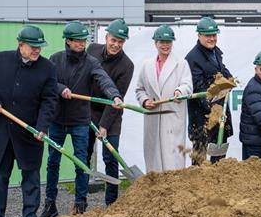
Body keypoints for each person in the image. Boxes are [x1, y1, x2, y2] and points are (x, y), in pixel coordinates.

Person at [0, 25, 58, 217]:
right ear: (20, 45)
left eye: (40, 47)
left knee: (31, 176)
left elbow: (49, 100)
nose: (37, 51)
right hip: (1, 130)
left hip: (29, 132)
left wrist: (41, 127)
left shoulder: (47, 68)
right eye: (33, 47)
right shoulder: (1, 59)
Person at [40, 21, 122, 217]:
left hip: (80, 121)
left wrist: (114, 96)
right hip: (57, 120)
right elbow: (49, 82)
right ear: (68, 41)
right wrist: (61, 89)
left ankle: (80, 204)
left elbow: (103, 79)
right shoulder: (55, 59)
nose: (81, 44)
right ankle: (50, 204)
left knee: (81, 163)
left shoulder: (91, 62)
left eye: (83, 40)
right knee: (53, 162)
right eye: (77, 41)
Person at [85, 19, 133, 206]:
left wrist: (104, 125)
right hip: (88, 112)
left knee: (110, 158)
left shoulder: (127, 65)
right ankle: (80, 202)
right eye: (113, 40)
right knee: (84, 155)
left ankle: (111, 202)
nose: (116, 45)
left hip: (111, 116)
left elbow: (117, 98)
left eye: (120, 42)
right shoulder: (92, 51)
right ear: (106, 37)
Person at [135, 25, 193, 172]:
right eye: (162, 42)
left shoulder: (181, 64)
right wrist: (144, 101)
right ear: (156, 43)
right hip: (153, 117)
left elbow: (187, 85)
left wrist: (180, 92)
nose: (165, 45)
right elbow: (140, 89)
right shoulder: (146, 65)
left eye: (168, 42)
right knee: (153, 158)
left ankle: (174, 190)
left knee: (172, 158)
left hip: (172, 117)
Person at [185, 17, 233, 164]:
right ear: (199, 35)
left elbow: (222, 71)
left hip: (219, 115)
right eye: (208, 35)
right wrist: (214, 110)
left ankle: (218, 186)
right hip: (202, 119)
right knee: (200, 161)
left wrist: (230, 79)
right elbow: (199, 88)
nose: (212, 39)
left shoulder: (216, 53)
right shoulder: (193, 58)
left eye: (214, 35)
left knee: (219, 159)